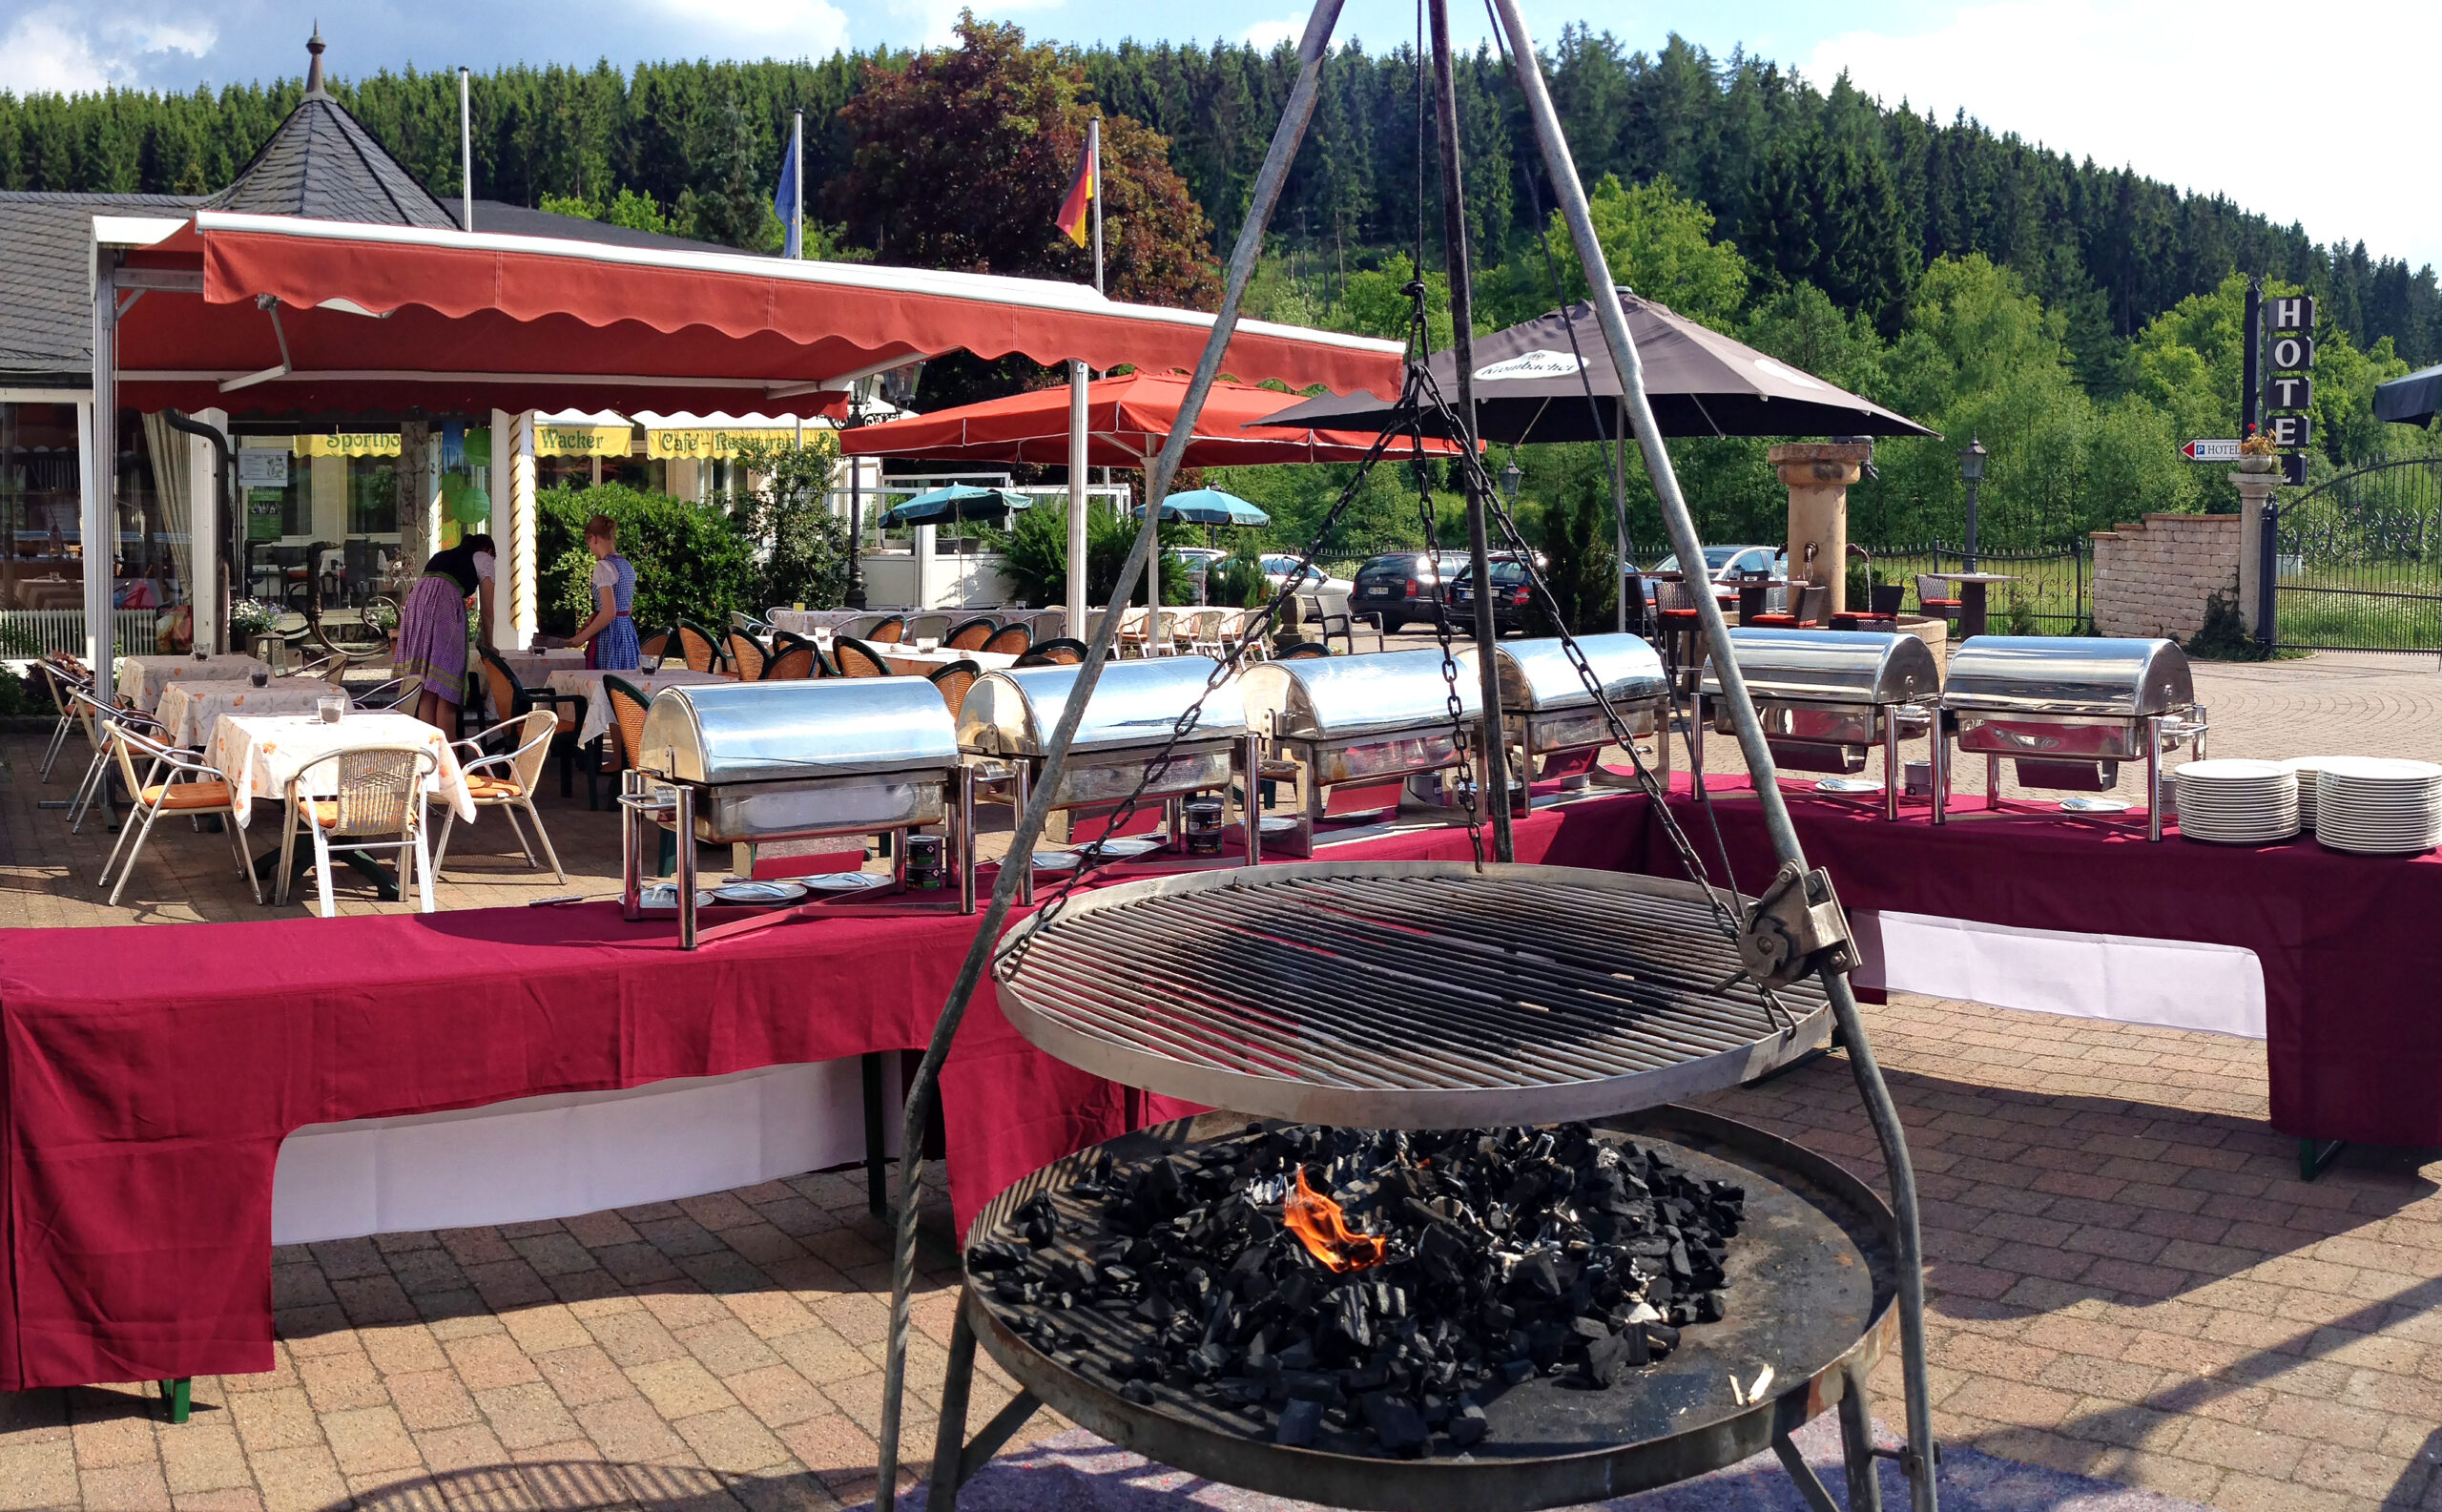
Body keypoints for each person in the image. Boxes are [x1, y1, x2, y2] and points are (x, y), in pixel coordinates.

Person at [395, 532, 496, 731]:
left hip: (418, 602)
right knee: (447, 685)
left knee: (427, 685)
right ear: (490, 551)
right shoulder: (484, 557)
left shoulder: (442, 556)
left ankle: (432, 746)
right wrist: (489, 644)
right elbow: (487, 611)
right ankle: (449, 747)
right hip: (444, 603)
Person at [570, 513, 640, 671]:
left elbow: (609, 612)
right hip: (626, 632)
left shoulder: (603, 567)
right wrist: (594, 616)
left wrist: (581, 638)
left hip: (610, 636)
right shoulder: (626, 566)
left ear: (594, 539)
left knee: (606, 682)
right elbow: (627, 608)